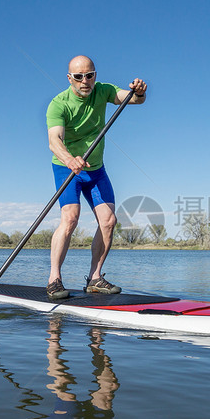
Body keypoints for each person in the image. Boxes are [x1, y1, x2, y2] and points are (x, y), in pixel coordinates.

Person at [45, 55, 147, 299]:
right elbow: (54, 141)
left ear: (95, 75)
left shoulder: (103, 91)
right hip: (66, 168)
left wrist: (139, 91)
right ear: (70, 78)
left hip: (96, 169)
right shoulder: (58, 104)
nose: (84, 81)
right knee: (70, 219)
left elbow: (132, 99)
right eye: (78, 77)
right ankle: (54, 279)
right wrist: (70, 160)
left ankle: (95, 278)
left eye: (89, 75)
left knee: (109, 221)